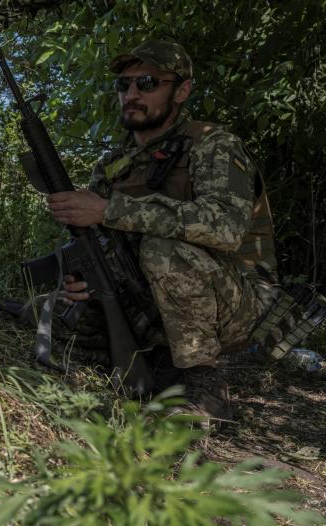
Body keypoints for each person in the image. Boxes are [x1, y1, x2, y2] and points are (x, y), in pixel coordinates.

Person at [46, 39, 277, 424]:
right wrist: (80, 276)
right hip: (152, 293)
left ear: (181, 91)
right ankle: (150, 363)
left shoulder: (213, 145)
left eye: (148, 83)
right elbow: (99, 238)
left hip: (239, 301)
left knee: (162, 249)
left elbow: (225, 228)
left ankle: (206, 388)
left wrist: (110, 209)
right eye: (124, 85)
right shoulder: (113, 164)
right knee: (55, 317)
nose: (132, 94)